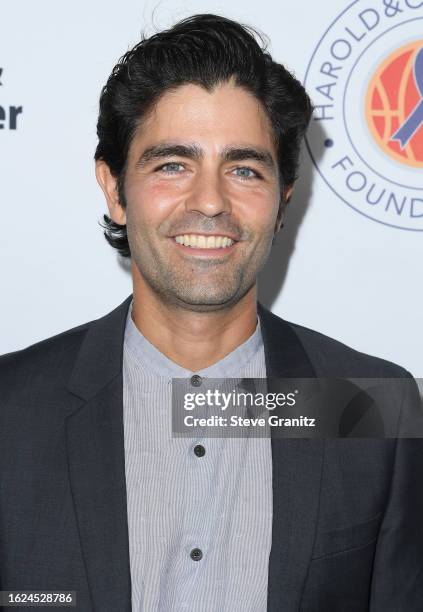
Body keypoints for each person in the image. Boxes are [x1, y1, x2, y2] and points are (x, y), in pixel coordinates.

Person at [0, 13, 422, 612]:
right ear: (115, 190)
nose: (210, 201)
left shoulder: (369, 403)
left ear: (282, 202)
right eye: (173, 164)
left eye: (244, 168)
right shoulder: (10, 412)